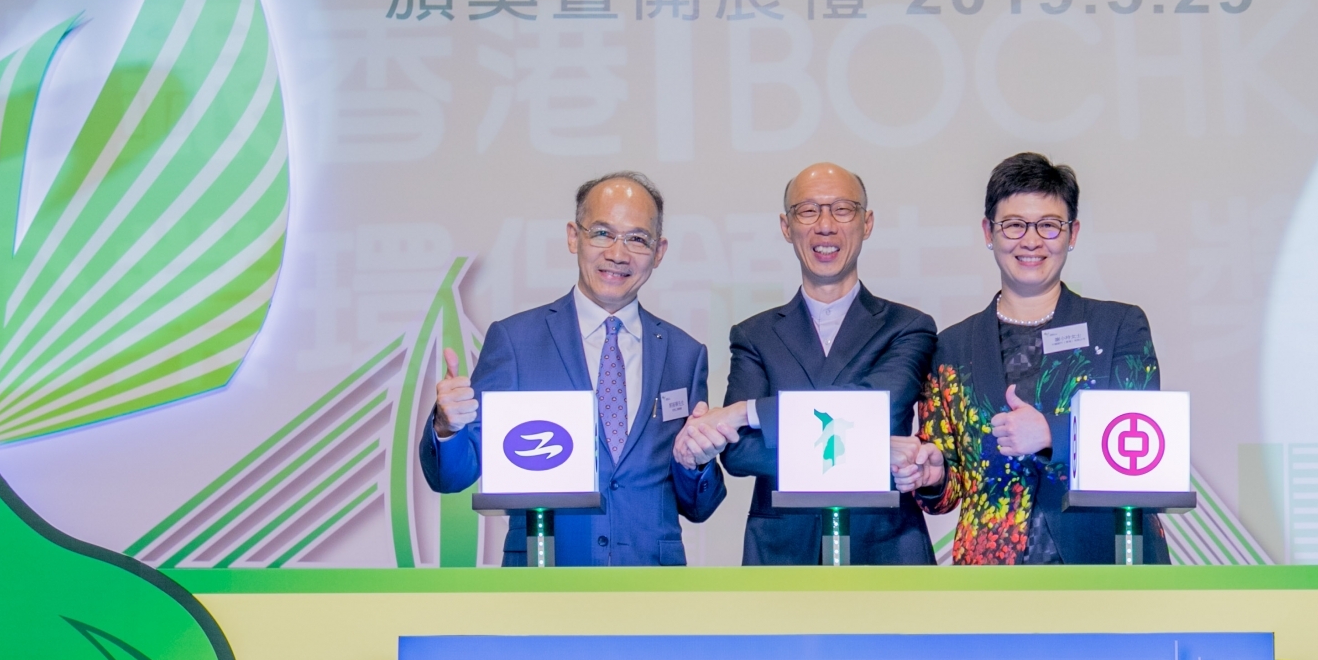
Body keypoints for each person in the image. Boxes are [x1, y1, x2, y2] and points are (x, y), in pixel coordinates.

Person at [420, 171, 724, 565]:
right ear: (572, 237)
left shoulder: (685, 355)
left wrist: (697, 462)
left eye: (637, 239)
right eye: (602, 233)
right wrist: (447, 427)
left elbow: (698, 506)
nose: (618, 254)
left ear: (659, 251)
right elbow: (452, 477)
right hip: (545, 573)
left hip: (651, 580)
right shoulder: (515, 341)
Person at [670, 163, 940, 565]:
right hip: (781, 552)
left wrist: (746, 412)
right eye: (808, 211)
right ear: (786, 226)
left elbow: (873, 407)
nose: (825, 226)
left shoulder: (908, 327)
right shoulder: (754, 334)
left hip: (885, 546)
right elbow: (740, 453)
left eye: (842, 210)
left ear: (867, 223)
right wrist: (870, 450)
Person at [915, 151, 1168, 565]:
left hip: (1106, 561)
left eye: (1049, 225)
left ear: (1072, 233)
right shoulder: (952, 347)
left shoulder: (1118, 326)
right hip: (992, 572)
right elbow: (946, 492)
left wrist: (1054, 433)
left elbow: (1145, 444)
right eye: (1014, 225)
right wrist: (932, 476)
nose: (1031, 241)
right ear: (988, 232)